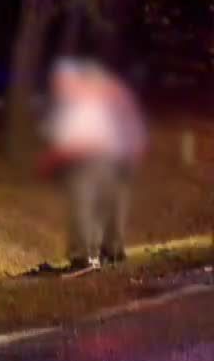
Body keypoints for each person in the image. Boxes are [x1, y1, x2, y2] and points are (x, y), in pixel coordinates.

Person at [39, 59, 146, 270]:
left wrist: (51, 161)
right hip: (115, 155)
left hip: (88, 158)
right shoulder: (111, 94)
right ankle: (110, 251)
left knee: (84, 206)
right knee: (107, 206)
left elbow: (71, 136)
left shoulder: (80, 98)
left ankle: (85, 255)